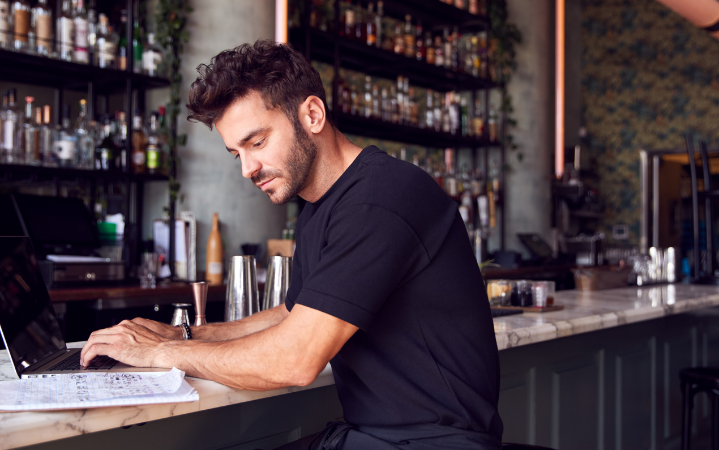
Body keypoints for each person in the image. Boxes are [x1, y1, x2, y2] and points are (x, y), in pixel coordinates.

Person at [81, 40, 503, 449]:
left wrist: (162, 353)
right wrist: (186, 333)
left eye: (257, 142)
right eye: (237, 153)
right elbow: (291, 315)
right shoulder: (321, 206)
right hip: (373, 436)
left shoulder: (382, 197)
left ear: (312, 115)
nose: (247, 169)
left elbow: (295, 359)